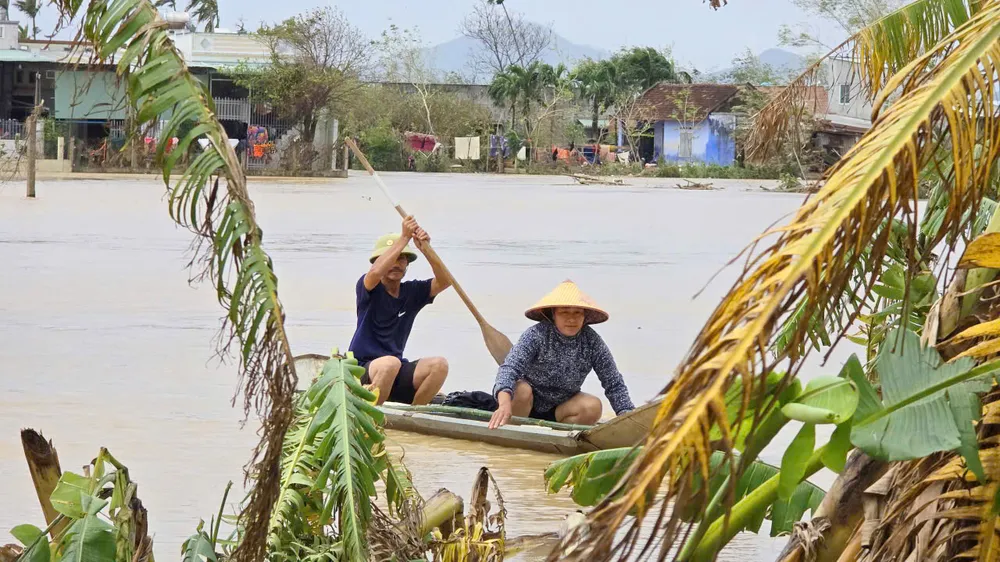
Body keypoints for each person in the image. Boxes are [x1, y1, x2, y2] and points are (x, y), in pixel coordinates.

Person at [488, 280, 635, 429]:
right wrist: (504, 404)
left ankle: (557, 436)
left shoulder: (592, 342)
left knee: (593, 406)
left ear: (584, 316)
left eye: (577, 313)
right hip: (523, 403)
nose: (571, 319)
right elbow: (509, 368)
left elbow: (613, 382)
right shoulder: (536, 335)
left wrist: (627, 414)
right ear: (553, 314)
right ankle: (511, 429)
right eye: (564, 312)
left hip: (560, 408)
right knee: (522, 390)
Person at [348, 216, 451, 405]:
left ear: (407, 264)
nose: (396, 264)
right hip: (361, 369)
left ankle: (413, 416)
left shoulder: (412, 292)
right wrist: (404, 238)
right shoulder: (369, 286)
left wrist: (425, 249)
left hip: (395, 369)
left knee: (439, 365)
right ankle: (372, 415)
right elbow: (375, 274)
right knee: (389, 363)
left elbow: (445, 281)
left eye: (402, 259)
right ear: (379, 262)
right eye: (391, 259)